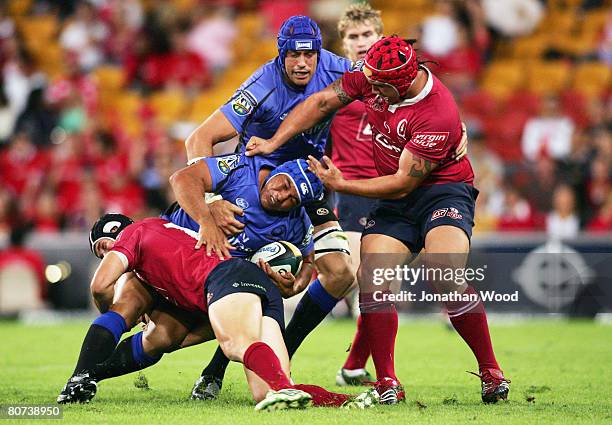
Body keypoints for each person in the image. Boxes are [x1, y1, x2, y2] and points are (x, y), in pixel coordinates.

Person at [246, 36, 510, 404]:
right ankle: (388, 382)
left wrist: (342, 184)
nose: (370, 84)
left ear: (401, 84)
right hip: (392, 201)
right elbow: (322, 102)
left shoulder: (438, 112)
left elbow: (405, 183)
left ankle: (490, 370)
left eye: (379, 84)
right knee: (372, 277)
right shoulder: (375, 74)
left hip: (442, 192)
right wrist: (274, 142)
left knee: (443, 272)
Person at [183, 15, 357, 399]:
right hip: (261, 188)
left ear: (319, 53)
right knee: (253, 279)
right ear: (281, 55)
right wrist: (213, 201)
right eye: (293, 54)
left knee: (341, 273)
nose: (301, 63)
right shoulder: (262, 83)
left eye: (309, 54)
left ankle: (281, 354)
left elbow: (384, 86)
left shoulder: (338, 69)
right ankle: (217, 369)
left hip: (308, 184)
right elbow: (200, 138)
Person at [57, 156, 325, 402]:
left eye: (292, 197)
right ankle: (85, 377)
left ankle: (214, 373)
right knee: (154, 328)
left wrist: (294, 285)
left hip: (221, 279)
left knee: (198, 338)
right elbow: (184, 175)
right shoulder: (243, 170)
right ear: (276, 172)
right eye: (283, 185)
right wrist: (207, 214)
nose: (281, 196)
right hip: (183, 271)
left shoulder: (297, 224)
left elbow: (308, 262)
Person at [58, 214, 377, 410]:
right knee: (264, 392)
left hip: (226, 279)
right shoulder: (162, 243)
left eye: (105, 247)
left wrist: (108, 311)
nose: (107, 253)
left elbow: (100, 286)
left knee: (235, 345)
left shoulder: (134, 238)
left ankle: (82, 376)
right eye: (101, 251)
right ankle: (347, 402)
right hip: (254, 286)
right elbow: (163, 337)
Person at [331, 4, 468, 387]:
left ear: (380, 38)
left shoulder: (397, 78)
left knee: (382, 279)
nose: (360, 43)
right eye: (353, 38)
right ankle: (359, 366)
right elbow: (312, 116)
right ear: (343, 45)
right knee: (365, 278)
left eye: (367, 36)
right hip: (356, 189)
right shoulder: (337, 83)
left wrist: (460, 133)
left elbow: (435, 110)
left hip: (405, 188)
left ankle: (356, 366)